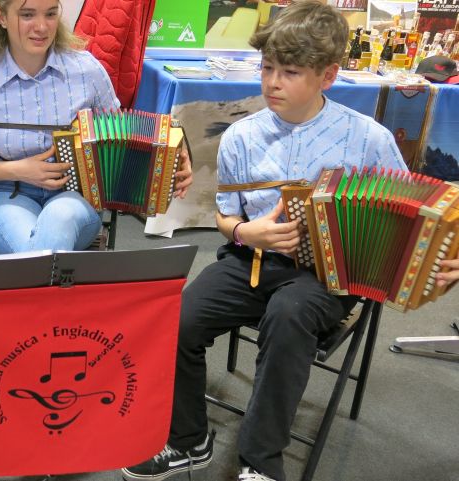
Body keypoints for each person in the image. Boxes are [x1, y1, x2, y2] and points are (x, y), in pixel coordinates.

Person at [122, 2, 406, 481]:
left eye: (290, 72)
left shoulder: (369, 140)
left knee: (289, 314)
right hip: (249, 259)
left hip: (326, 277)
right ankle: (189, 439)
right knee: (178, 318)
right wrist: (241, 231)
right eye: (267, 68)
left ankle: (260, 464)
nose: (272, 82)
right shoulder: (241, 135)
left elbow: (402, 218)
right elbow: (225, 215)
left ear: (328, 75)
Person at [0, 0, 192, 254]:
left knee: (59, 218)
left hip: (77, 196)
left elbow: (123, 138)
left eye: (51, 14)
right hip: (10, 194)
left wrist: (169, 165)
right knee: (39, 250)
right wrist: (18, 170)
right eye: (27, 15)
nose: (41, 27)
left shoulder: (86, 69)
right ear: (2, 16)